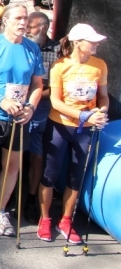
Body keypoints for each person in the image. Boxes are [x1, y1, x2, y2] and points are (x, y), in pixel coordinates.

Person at [0, 4, 44, 236]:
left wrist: (31, 107)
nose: (23, 23)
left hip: (20, 116)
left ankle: (1, 211)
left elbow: (38, 85)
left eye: (26, 19)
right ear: (7, 21)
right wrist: (1, 100)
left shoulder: (32, 48)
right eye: (19, 18)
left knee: (12, 167)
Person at [37, 24, 108, 243]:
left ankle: (66, 220)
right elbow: (56, 102)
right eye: (92, 41)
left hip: (85, 131)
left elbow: (103, 96)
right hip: (59, 126)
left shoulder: (99, 66)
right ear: (78, 43)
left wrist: (101, 111)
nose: (96, 44)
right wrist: (84, 115)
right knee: (49, 174)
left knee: (76, 177)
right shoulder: (60, 66)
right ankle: (45, 219)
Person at [23, 12, 60, 223]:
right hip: (18, 104)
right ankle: (11, 195)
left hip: (42, 108)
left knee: (37, 155)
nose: (28, 30)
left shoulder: (56, 52)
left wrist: (35, 96)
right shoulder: (23, 46)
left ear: (44, 27)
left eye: (32, 26)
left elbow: (55, 88)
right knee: (15, 154)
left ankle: (31, 199)